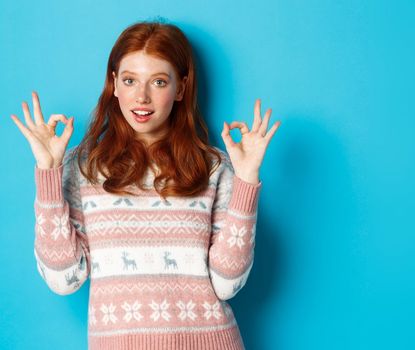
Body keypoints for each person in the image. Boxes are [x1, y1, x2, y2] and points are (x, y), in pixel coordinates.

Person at [9, 19, 280, 350]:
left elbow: (227, 284)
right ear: (114, 84)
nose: (142, 97)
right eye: (130, 80)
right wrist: (48, 171)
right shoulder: (83, 167)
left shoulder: (212, 168)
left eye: (159, 82)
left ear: (181, 88)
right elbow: (64, 278)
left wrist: (246, 180)